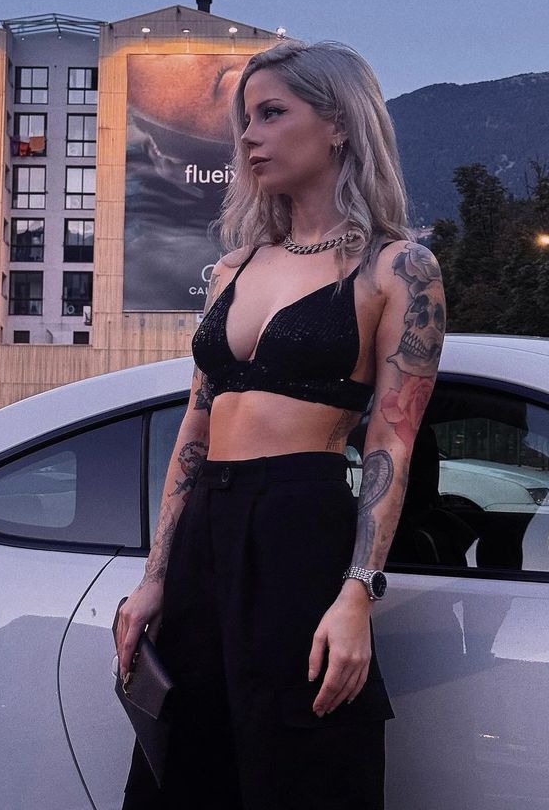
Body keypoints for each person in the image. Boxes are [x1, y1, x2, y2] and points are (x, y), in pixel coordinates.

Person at [114, 39, 446, 809]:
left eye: (271, 114)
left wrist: (357, 593)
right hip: (205, 533)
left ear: (338, 123)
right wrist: (155, 578)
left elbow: (391, 441)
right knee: (187, 764)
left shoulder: (397, 268)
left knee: (300, 764)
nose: (248, 136)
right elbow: (195, 429)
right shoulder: (235, 268)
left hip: (301, 528)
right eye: (245, 118)